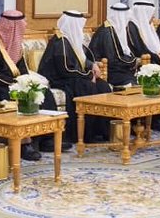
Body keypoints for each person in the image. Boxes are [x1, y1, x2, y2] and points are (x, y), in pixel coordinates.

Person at [0, 9, 49, 161]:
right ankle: (24, 143)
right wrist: (15, 85)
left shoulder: (16, 43)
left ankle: (45, 139)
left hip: (11, 83)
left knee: (42, 93)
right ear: (11, 26)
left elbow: (22, 69)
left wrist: (27, 83)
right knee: (18, 96)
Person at [38, 10, 113, 143]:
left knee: (103, 86)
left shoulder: (71, 39)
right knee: (88, 87)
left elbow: (81, 58)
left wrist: (92, 65)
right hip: (60, 79)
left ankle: (101, 131)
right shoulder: (60, 42)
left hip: (73, 76)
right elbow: (65, 69)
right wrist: (88, 75)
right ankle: (85, 134)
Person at [90, 3, 140, 89]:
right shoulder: (107, 32)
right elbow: (112, 60)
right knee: (132, 82)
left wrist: (133, 61)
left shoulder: (117, 29)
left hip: (120, 68)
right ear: (121, 17)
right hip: (109, 71)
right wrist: (134, 61)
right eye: (126, 18)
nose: (127, 21)